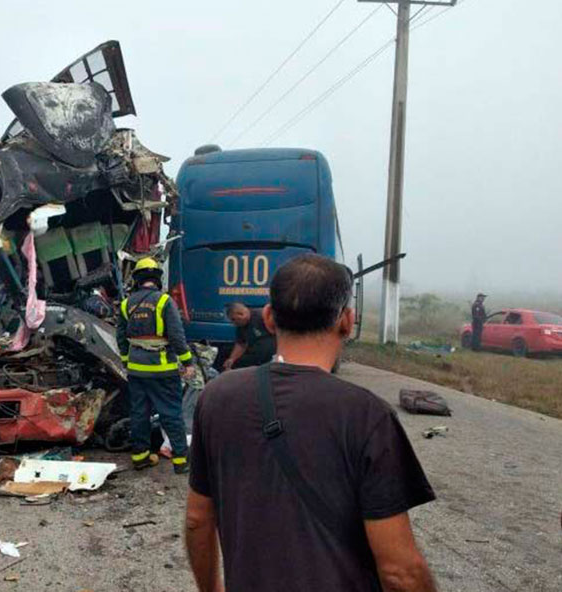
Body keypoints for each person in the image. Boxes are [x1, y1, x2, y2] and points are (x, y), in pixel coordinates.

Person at [186, 254, 436, 592]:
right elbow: (400, 572)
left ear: (270, 318)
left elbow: (197, 520)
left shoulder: (216, 397)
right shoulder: (367, 414)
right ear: (347, 322)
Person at [116, 257, 195, 474]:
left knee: (139, 413)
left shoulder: (126, 304)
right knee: (171, 413)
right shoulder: (164, 301)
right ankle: (180, 461)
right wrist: (187, 361)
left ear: (138, 279)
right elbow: (177, 336)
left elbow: (121, 337)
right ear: (157, 278)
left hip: (136, 371)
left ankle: (140, 457)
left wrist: (126, 362)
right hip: (162, 370)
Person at [222, 302, 277, 370]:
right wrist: (232, 359)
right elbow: (241, 344)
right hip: (256, 355)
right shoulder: (241, 326)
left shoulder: (263, 316)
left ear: (241, 314)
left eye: (233, 319)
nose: (233, 323)